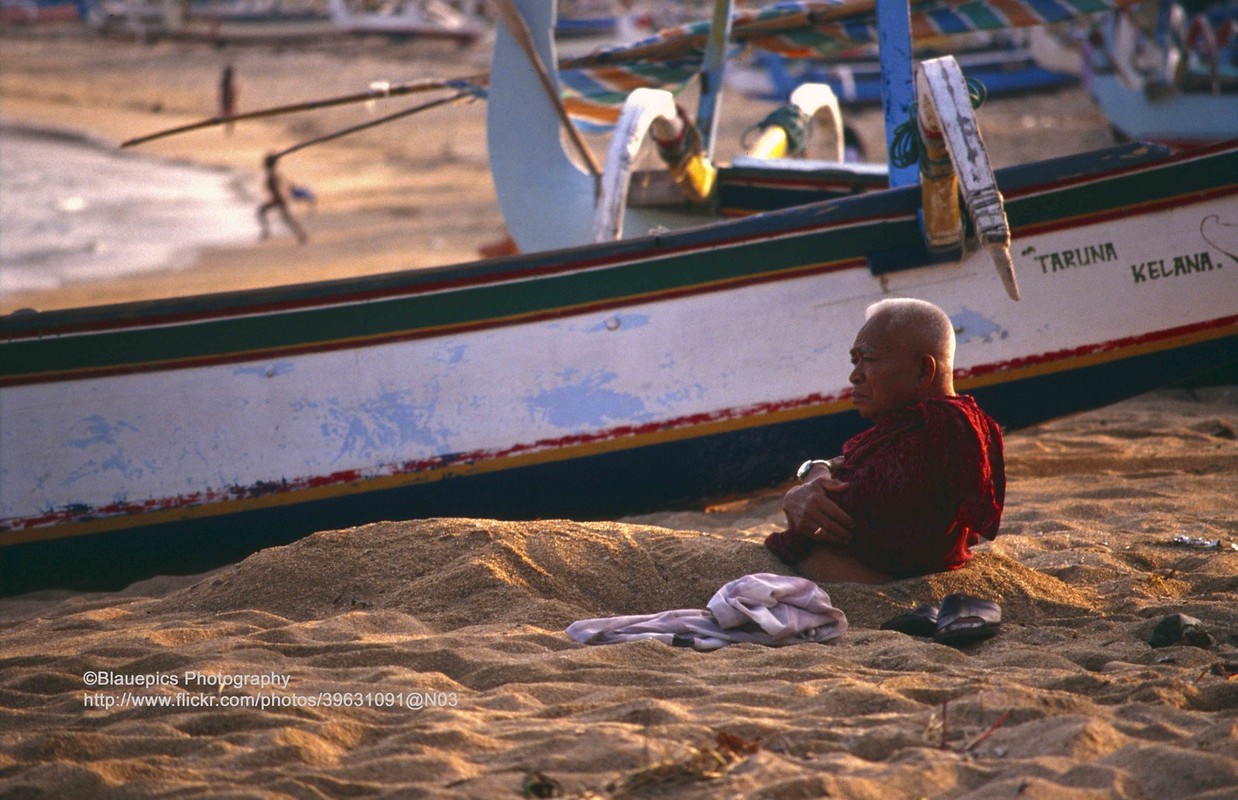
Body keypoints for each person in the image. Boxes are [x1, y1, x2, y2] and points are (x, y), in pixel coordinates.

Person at [765, 298, 1005, 584]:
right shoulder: (963, 421)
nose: (854, 376)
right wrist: (817, 470)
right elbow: (838, 474)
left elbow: (805, 532)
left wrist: (795, 497)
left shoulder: (927, 437)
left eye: (868, 360)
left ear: (922, 371)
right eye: (855, 361)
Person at [257, 153, 309, 245]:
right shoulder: (272, 174)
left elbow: (278, 186)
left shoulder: (272, 175)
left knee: (284, 218)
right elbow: (282, 183)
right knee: (284, 218)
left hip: (278, 198)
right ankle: (301, 234)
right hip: (278, 198)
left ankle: (301, 235)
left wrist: (285, 193)